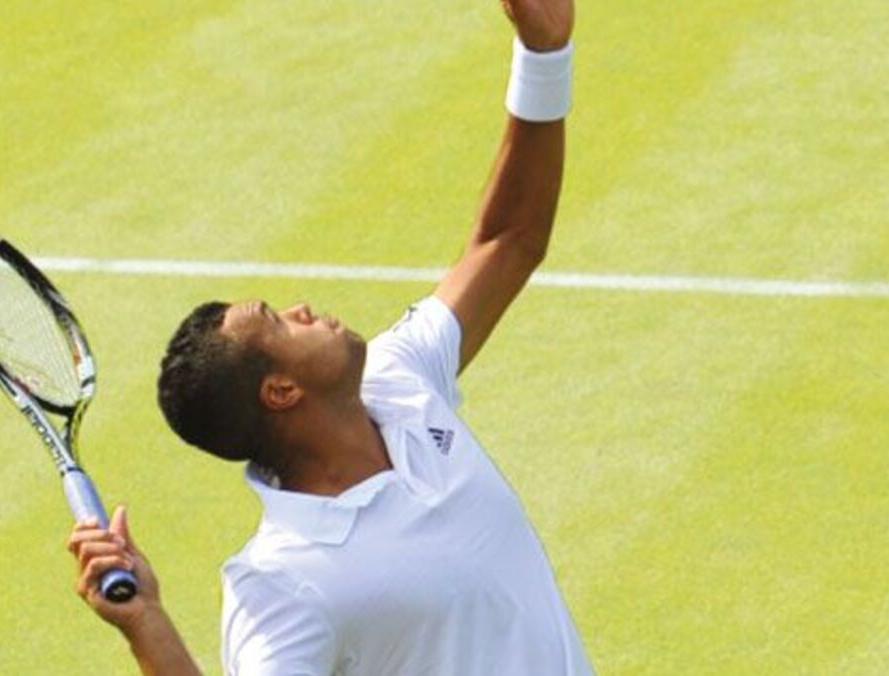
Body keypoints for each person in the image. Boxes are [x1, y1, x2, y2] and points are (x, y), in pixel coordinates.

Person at [68, 0, 592, 673]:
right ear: (281, 391)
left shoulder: (399, 381)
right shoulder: (282, 582)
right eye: (280, 321)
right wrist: (148, 626)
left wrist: (543, 53)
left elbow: (508, 241)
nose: (304, 309)